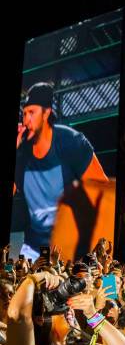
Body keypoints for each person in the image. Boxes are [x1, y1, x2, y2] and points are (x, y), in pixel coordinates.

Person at [14, 82, 108, 261]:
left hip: (69, 247)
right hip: (34, 249)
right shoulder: (22, 152)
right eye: (24, 114)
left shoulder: (70, 142)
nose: (26, 120)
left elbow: (102, 189)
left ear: (46, 113)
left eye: (32, 113)